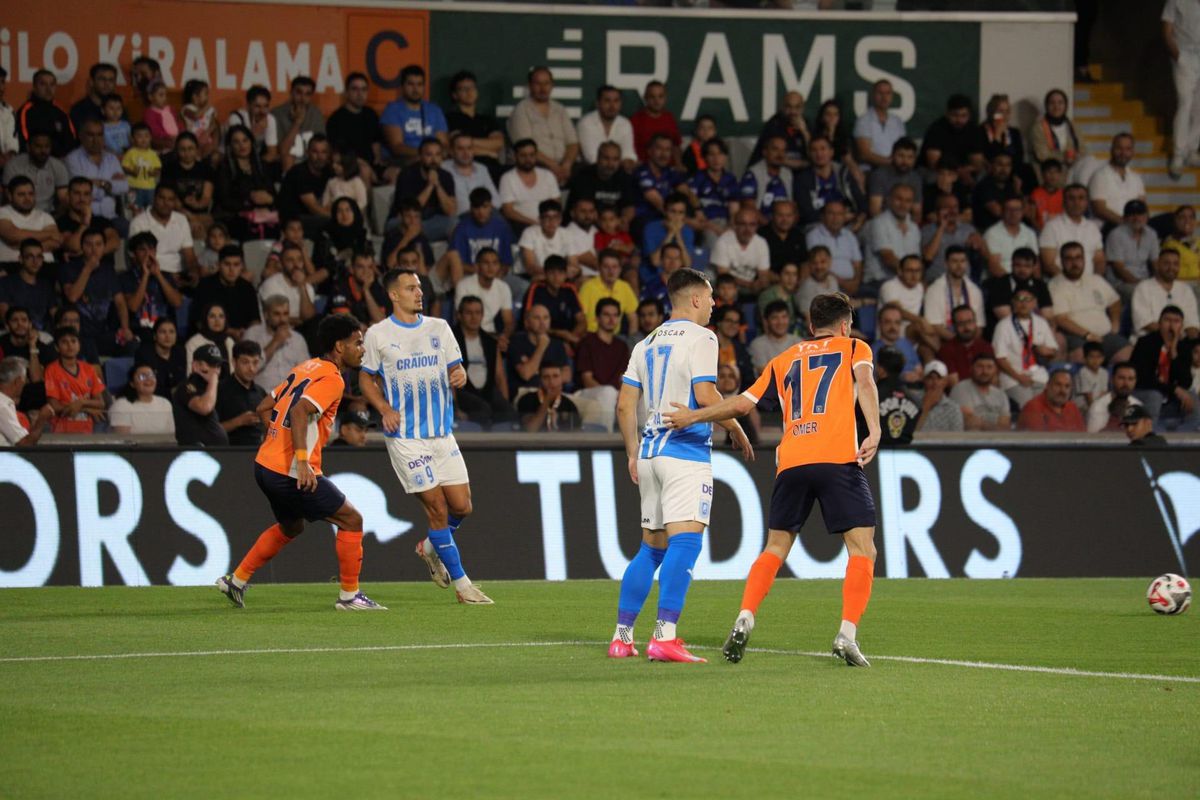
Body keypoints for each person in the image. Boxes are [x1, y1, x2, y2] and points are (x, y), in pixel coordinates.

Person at [665, 292, 882, 667]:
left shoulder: (783, 359)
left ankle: (744, 617)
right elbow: (865, 383)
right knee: (862, 549)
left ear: (811, 326)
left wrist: (693, 417)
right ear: (845, 325)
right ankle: (847, 634)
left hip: (792, 461)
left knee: (776, 547)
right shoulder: (853, 347)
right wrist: (875, 430)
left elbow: (742, 404)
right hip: (837, 459)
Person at [607, 267, 751, 662]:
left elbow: (624, 405)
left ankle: (622, 637)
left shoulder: (645, 343)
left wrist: (632, 453)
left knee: (650, 549)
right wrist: (735, 426)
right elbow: (705, 395)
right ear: (695, 299)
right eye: (710, 298)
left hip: (651, 455)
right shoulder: (703, 337)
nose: (714, 305)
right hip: (685, 453)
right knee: (685, 543)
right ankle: (665, 635)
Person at [216, 314, 386, 611]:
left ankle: (237, 580)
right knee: (351, 520)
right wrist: (302, 461)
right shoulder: (332, 378)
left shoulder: (305, 367)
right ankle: (349, 596)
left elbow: (263, 407)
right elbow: (299, 411)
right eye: (357, 343)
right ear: (338, 346)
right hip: (290, 471)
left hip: (265, 465)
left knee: (291, 526)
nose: (362, 349)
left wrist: (274, 440)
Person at [358, 269, 493, 604]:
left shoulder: (440, 328)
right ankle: (464, 587)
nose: (419, 293)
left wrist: (459, 373)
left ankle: (430, 547)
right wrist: (384, 409)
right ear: (393, 295)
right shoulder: (378, 335)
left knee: (461, 507)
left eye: (419, 287)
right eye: (410, 288)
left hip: (441, 434)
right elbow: (365, 379)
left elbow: (455, 369)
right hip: (406, 436)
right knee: (436, 508)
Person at [1051, 242, 1131, 364]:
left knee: (1129, 354)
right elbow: (1061, 319)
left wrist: (1115, 322)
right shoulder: (1055, 285)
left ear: (1084, 260)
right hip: (1078, 338)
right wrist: (1087, 335)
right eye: (1069, 258)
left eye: (1078, 257)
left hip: (1106, 335)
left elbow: (1115, 301)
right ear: (1061, 261)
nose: (1074, 263)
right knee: (1081, 357)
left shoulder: (1096, 280)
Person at [1131, 305, 1199, 431]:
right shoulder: (1145, 343)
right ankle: (1150, 435)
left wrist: (1173, 353)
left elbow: (1186, 382)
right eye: (1167, 320)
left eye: (1176, 321)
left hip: (1170, 395)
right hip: (1145, 392)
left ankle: (1184, 438)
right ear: (1159, 323)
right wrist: (1174, 389)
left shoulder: (1184, 347)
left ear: (1181, 326)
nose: (1171, 325)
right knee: (1154, 395)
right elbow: (1143, 378)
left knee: (1193, 398)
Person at [507, 67, 578, 187]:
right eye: (538, 83)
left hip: (564, 167)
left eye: (546, 83)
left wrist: (566, 165)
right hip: (537, 165)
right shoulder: (522, 110)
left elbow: (573, 143)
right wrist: (554, 167)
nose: (543, 88)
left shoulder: (559, 109)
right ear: (529, 86)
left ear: (552, 85)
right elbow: (525, 148)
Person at [452, 295, 513, 429]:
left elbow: (500, 377)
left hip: (487, 390)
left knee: (508, 412)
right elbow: (448, 378)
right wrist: (455, 406)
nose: (474, 317)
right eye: (469, 313)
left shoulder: (491, 342)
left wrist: (505, 401)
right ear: (459, 315)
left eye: (477, 313)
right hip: (463, 392)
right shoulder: (450, 340)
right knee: (483, 410)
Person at [994, 287, 1058, 407]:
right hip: (1013, 380)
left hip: (1040, 377)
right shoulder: (1003, 326)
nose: (1023, 303)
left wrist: (1046, 351)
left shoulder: (1041, 323)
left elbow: (1054, 351)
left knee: (1048, 407)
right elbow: (1000, 358)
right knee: (1030, 408)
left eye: (1027, 299)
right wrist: (1019, 377)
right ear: (1013, 302)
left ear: (1034, 303)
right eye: (1019, 299)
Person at [575, 298, 632, 424]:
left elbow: (623, 378)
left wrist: (621, 395)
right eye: (606, 315)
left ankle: (642, 441)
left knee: (640, 398)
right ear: (597, 317)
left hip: (615, 394)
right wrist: (613, 395)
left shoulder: (622, 346)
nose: (611, 319)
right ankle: (607, 440)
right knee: (608, 393)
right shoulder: (587, 342)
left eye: (615, 315)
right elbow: (587, 380)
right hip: (587, 393)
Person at [380, 65, 448, 169]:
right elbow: (397, 147)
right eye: (410, 84)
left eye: (419, 84)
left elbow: (443, 143)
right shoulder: (393, 109)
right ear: (402, 86)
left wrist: (431, 155)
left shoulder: (435, 110)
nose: (415, 89)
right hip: (402, 160)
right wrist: (426, 154)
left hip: (432, 159)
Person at [44, 325, 109, 433]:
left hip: (87, 429)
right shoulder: (51, 370)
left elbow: (100, 403)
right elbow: (54, 406)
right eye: (64, 342)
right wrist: (86, 408)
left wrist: (81, 402)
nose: (70, 345)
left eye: (73, 341)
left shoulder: (89, 369)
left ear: (79, 345)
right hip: (61, 429)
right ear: (57, 347)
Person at [390, 136, 455, 243]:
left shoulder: (446, 176)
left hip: (430, 221)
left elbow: (450, 211)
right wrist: (429, 186)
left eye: (437, 154)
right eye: (429, 155)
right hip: (402, 221)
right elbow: (411, 211)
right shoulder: (407, 175)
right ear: (420, 156)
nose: (434, 159)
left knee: (455, 224)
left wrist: (437, 185)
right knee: (412, 225)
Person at [128, 184, 200, 281]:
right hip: (152, 277)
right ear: (154, 198)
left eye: (170, 199)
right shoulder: (138, 223)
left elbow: (190, 256)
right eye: (162, 198)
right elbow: (136, 261)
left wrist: (193, 274)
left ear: (175, 202)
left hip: (180, 276)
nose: (166, 203)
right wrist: (165, 277)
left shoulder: (181, 220)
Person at [793, 135, 866, 228]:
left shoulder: (843, 173)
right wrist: (839, 218)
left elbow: (861, 202)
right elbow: (806, 213)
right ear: (809, 154)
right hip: (818, 226)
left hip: (849, 223)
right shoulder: (802, 179)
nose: (819, 154)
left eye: (823, 149)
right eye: (814, 150)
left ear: (831, 152)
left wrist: (860, 219)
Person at [243, 295, 311, 393]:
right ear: (266, 315)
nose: (282, 319)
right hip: (261, 395)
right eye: (277, 314)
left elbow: (307, 373)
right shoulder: (253, 334)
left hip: (290, 397)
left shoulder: (297, 339)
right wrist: (275, 342)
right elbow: (249, 368)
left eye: (285, 314)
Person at [445, 71, 505, 180]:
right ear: (455, 95)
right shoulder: (450, 118)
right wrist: (488, 151)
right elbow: (458, 146)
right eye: (463, 89)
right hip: (465, 168)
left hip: (492, 167)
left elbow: (498, 143)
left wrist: (469, 142)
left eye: (472, 87)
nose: (469, 92)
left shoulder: (487, 119)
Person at [447, 188, 514, 284]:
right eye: (477, 207)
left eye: (485, 207)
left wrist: (495, 278)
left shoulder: (502, 227)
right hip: (470, 277)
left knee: (521, 287)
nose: (481, 212)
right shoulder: (461, 229)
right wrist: (482, 273)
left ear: (491, 206)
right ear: (470, 208)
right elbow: (457, 263)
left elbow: (506, 262)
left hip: (498, 277)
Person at [1164, 0, 1200, 177]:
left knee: (1199, 107)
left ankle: (1191, 150)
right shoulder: (1176, 0)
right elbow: (1167, 28)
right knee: (1185, 101)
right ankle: (1178, 154)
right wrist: (1178, 56)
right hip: (1185, 55)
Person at [924, 246, 986, 348]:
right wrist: (958, 343)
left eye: (962, 261)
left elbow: (979, 326)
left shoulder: (974, 290)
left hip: (970, 340)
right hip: (943, 341)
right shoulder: (934, 289)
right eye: (954, 261)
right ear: (946, 264)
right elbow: (935, 326)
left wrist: (969, 343)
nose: (959, 265)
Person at [862, 183, 920, 291]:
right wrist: (911, 275)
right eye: (899, 199)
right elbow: (888, 258)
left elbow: (915, 260)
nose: (903, 204)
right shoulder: (878, 223)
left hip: (904, 281)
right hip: (878, 282)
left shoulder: (914, 228)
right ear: (889, 199)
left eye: (908, 201)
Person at [325, 72, 382, 182]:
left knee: (397, 174)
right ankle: (366, 200)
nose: (360, 94)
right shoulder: (336, 119)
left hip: (371, 163)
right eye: (355, 89)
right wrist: (366, 166)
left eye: (364, 89)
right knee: (365, 171)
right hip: (349, 165)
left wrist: (377, 162)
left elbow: (376, 143)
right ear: (346, 92)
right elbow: (339, 152)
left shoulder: (371, 114)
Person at [983, 247, 1054, 334]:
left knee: (1058, 338)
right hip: (1007, 333)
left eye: (1027, 266)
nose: (1022, 270)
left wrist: (1047, 335)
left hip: (1037, 331)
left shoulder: (1040, 285)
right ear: (1012, 265)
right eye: (1018, 265)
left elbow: (1048, 316)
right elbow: (1007, 319)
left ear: (1034, 267)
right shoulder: (999, 284)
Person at [1039, 184, 1105, 277]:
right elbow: (1048, 264)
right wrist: (1071, 284)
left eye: (1081, 198)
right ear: (1064, 202)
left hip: (1089, 283)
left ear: (1087, 202)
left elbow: (1099, 261)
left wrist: (1095, 280)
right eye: (1071, 198)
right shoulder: (1051, 227)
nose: (1076, 202)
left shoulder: (1092, 228)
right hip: (1061, 283)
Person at [1132, 249, 1200, 339]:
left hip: (1180, 341)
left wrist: (1193, 339)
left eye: (1175, 264)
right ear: (1158, 265)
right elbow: (1144, 322)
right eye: (1166, 263)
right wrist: (1172, 335)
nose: (1171, 268)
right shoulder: (1143, 288)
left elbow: (1192, 322)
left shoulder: (1185, 289)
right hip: (1150, 340)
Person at [507, 304, 570, 397]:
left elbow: (567, 375)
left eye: (546, 318)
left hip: (555, 393)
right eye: (537, 318)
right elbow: (526, 374)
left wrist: (539, 374)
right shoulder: (517, 342)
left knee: (591, 406)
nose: (542, 322)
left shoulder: (557, 344)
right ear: (527, 322)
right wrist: (541, 346)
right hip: (527, 392)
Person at [161, 132, 215, 239]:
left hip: (202, 213)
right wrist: (190, 217)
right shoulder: (169, 169)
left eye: (190, 149)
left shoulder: (206, 169)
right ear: (177, 150)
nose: (187, 153)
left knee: (213, 230)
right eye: (183, 149)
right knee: (194, 229)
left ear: (196, 149)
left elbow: (206, 198)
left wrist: (196, 204)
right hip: (176, 213)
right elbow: (170, 199)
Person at [172, 343, 229, 446]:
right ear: (195, 366)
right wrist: (214, 380)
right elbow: (204, 407)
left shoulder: (210, 390)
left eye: (218, 366)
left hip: (215, 454)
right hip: (195, 454)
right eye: (211, 365)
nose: (216, 370)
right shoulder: (186, 386)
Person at [498, 139, 561, 231]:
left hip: (549, 225)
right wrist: (535, 223)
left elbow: (557, 204)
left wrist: (547, 222)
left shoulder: (548, 175)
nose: (528, 159)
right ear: (515, 157)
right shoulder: (507, 178)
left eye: (532, 155)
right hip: (521, 227)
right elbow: (508, 211)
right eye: (523, 155)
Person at [454, 247, 514, 342]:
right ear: (477, 266)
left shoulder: (503, 287)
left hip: (492, 335)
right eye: (486, 263)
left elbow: (508, 321)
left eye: (495, 263)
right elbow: (461, 318)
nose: (491, 267)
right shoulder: (464, 285)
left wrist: (504, 338)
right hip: (468, 335)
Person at [712, 207, 771, 301]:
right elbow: (723, 274)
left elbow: (764, 273)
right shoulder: (723, 241)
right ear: (735, 225)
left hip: (751, 287)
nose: (747, 229)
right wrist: (750, 284)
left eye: (752, 224)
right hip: (729, 287)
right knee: (728, 290)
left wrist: (761, 283)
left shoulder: (761, 242)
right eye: (743, 224)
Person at [1088, 133, 1146, 229]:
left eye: (1128, 149)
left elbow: (1142, 207)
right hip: (1107, 228)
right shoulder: (1100, 176)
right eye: (1119, 148)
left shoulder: (1136, 178)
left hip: (1131, 229)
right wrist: (1126, 224)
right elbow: (1099, 209)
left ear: (1132, 152)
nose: (1123, 153)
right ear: (1111, 150)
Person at [806, 199, 863, 296]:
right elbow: (819, 267)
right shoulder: (814, 235)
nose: (835, 218)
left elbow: (858, 264)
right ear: (823, 216)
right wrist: (845, 284)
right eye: (831, 213)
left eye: (839, 214)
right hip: (826, 285)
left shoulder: (849, 235)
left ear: (844, 216)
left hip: (852, 286)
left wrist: (855, 283)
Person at [0, 175, 61, 265]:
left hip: (45, 267)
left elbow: (56, 242)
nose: (27, 198)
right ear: (10, 196)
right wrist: (49, 234)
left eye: (31, 194)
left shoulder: (45, 216)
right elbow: (13, 236)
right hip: (12, 267)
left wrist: (21, 246)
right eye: (21, 194)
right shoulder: (3, 212)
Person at [924, 194, 985, 282]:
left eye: (955, 207)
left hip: (964, 281)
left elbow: (984, 254)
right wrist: (942, 227)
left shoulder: (968, 229)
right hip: (937, 281)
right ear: (937, 211)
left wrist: (978, 244)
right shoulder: (927, 230)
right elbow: (928, 257)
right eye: (947, 207)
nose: (952, 211)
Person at [1107, 200, 1160, 302]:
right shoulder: (1116, 235)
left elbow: (1155, 263)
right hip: (1121, 283)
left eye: (1140, 214)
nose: (1136, 218)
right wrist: (1141, 285)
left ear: (1146, 216)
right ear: (1125, 218)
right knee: (1140, 295)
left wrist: (1160, 282)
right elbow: (1119, 269)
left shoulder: (1151, 234)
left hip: (1144, 281)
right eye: (1132, 215)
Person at [918, 94, 984, 175]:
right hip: (938, 172)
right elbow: (933, 164)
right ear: (947, 114)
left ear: (969, 116)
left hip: (964, 173)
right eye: (955, 115)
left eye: (963, 116)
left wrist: (965, 173)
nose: (959, 120)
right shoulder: (936, 129)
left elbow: (977, 164)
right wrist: (957, 173)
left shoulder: (973, 130)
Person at [217, 340, 267, 446]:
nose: (251, 368)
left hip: (258, 455)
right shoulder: (219, 390)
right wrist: (239, 421)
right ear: (234, 362)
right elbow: (209, 431)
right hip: (229, 455)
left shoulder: (261, 393)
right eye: (245, 362)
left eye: (255, 362)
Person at [271, 76, 326, 172]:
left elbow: (322, 146)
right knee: (288, 158)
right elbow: (282, 151)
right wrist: (297, 122)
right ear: (291, 93)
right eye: (299, 92)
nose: (302, 98)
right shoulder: (277, 114)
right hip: (287, 163)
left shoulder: (316, 114)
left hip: (311, 162)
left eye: (307, 94)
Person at [5, 130, 69, 213]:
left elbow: (64, 200)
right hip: (18, 214)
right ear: (28, 147)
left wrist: (52, 220)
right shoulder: (13, 165)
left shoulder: (58, 166)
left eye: (47, 146)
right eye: (38, 146)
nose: (43, 151)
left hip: (49, 215)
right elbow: (8, 198)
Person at [15, 69, 75, 157]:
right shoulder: (26, 111)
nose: (48, 89)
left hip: (60, 162)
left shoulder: (61, 112)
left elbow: (71, 139)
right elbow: (24, 141)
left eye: (52, 84)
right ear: (34, 87)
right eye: (43, 84)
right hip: (34, 161)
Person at [0, 239, 57, 329]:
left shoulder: (46, 285)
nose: (35, 261)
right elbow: (4, 314)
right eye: (30, 257)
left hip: (42, 336)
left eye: (39, 257)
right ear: (21, 259)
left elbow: (55, 314)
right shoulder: (6, 283)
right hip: (15, 333)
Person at [577, 84, 636, 170]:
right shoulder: (586, 123)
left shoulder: (625, 124)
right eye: (607, 101)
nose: (612, 106)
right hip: (589, 171)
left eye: (616, 101)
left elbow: (628, 155)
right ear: (598, 103)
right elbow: (591, 158)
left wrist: (627, 162)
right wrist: (617, 163)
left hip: (617, 171)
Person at [579, 249, 638, 333]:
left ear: (620, 269)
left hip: (615, 338)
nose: (611, 271)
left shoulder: (624, 287)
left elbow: (633, 318)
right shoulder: (588, 287)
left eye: (614, 267)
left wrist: (632, 341)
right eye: (606, 267)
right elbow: (581, 319)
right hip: (592, 335)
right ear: (599, 268)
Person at [518, 199, 577, 283]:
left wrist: (558, 275)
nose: (551, 221)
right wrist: (554, 274)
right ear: (540, 219)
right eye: (547, 217)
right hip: (539, 277)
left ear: (560, 219)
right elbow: (530, 266)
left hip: (561, 277)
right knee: (538, 278)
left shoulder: (567, 234)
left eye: (555, 217)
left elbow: (574, 265)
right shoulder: (529, 233)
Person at [108, 363, 174, 435]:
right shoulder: (121, 406)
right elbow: (122, 441)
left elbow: (171, 436)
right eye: (142, 376)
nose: (148, 379)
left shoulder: (165, 403)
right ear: (132, 383)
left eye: (151, 375)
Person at [950, 353, 1011, 431]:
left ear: (995, 370)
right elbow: (969, 423)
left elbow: (1006, 426)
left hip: (997, 441)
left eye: (989, 367)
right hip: (969, 441)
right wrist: (996, 422)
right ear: (971, 369)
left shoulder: (1001, 395)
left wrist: (981, 422)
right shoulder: (961, 388)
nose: (985, 371)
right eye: (980, 367)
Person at [874, 346, 921, 446]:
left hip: (873, 456)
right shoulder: (915, 401)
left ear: (881, 369)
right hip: (903, 456)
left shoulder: (871, 396)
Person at [0, 356, 52, 446]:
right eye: (25, 379)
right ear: (18, 381)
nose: (26, 382)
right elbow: (25, 444)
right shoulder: (2, 406)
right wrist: (42, 418)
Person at [853, 79, 905, 170]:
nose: (884, 97)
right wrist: (891, 162)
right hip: (871, 170)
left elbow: (903, 148)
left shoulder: (897, 121)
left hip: (896, 170)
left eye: (888, 93)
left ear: (892, 96)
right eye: (880, 93)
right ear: (873, 95)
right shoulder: (864, 121)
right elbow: (864, 154)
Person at [750, 91, 809, 170]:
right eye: (789, 107)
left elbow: (814, 153)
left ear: (803, 108)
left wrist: (804, 132)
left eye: (797, 107)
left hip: (800, 175)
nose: (793, 111)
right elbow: (776, 159)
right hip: (775, 173)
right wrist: (803, 164)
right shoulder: (774, 125)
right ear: (782, 107)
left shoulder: (806, 124)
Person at [517, 360, 580, 432]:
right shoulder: (526, 400)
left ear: (561, 379)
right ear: (540, 380)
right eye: (546, 377)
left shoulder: (569, 405)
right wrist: (547, 401)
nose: (551, 382)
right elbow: (530, 430)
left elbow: (576, 435)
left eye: (555, 376)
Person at [936, 305, 994, 384]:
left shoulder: (986, 347)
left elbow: (993, 378)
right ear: (954, 326)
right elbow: (955, 385)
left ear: (975, 323)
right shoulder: (946, 350)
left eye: (970, 322)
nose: (966, 327)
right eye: (961, 323)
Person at [867, 137, 922, 220]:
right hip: (882, 222)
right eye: (901, 156)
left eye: (910, 157)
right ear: (892, 156)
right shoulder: (879, 175)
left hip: (906, 223)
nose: (905, 161)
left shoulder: (915, 178)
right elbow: (875, 211)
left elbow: (917, 212)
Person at [443, 132, 497, 215]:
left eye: (469, 148)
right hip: (457, 219)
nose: (466, 153)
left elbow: (496, 200)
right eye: (460, 149)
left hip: (483, 216)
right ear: (451, 151)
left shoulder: (482, 168)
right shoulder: (443, 168)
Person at [1030, 89, 1080, 178]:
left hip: (1073, 169)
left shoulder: (1072, 125)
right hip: (1049, 172)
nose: (1056, 106)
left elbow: (1082, 148)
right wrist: (1064, 157)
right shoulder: (1039, 127)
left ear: (1065, 106)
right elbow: (1042, 155)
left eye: (1060, 103)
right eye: (1052, 103)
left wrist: (1075, 157)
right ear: (1046, 106)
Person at [1017, 368, 1086, 431]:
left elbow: (1082, 438)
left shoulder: (1073, 408)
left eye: (1067, 386)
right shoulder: (1033, 407)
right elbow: (1038, 442)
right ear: (1047, 385)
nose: (1062, 390)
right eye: (1058, 385)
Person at [984, 195, 1038, 276]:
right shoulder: (992, 233)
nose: (1013, 213)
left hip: (1025, 280)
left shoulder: (1030, 233)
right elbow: (994, 266)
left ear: (1022, 212)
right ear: (1002, 211)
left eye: (1017, 210)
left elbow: (1036, 264)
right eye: (1009, 209)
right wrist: (1012, 283)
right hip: (1000, 281)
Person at [631, 81, 681, 164]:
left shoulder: (669, 118)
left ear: (665, 98)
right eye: (652, 97)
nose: (656, 100)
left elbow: (676, 145)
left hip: (668, 170)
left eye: (660, 96)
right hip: (643, 169)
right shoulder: (636, 120)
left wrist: (679, 164)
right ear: (645, 98)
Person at [136, 317, 186, 398]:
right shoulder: (144, 355)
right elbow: (144, 385)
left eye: (171, 332)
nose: (168, 336)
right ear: (155, 336)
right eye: (163, 332)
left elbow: (183, 381)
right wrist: (171, 392)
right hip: (152, 398)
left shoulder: (180, 352)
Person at [1086, 361, 1142, 433]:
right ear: (1112, 379)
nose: (1126, 383)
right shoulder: (1097, 407)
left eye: (1130, 379)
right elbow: (1093, 441)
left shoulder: (1139, 407)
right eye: (1121, 378)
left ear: (1135, 381)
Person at [971, 152, 1020, 233]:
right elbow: (998, 212)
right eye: (1000, 165)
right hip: (987, 231)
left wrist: (1017, 191)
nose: (1004, 169)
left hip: (1007, 229)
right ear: (991, 166)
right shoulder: (984, 186)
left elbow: (1025, 211)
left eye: (1008, 165)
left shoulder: (1011, 185)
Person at [749, 300, 803, 373]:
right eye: (774, 318)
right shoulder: (758, 345)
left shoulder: (798, 343)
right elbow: (765, 374)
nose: (780, 322)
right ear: (766, 321)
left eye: (784, 317)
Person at [874, 304, 922, 384]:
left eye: (897, 322)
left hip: (914, 388)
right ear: (879, 324)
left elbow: (920, 371)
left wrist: (916, 376)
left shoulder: (906, 344)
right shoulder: (872, 350)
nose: (893, 327)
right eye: (888, 322)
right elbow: (877, 379)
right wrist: (902, 377)